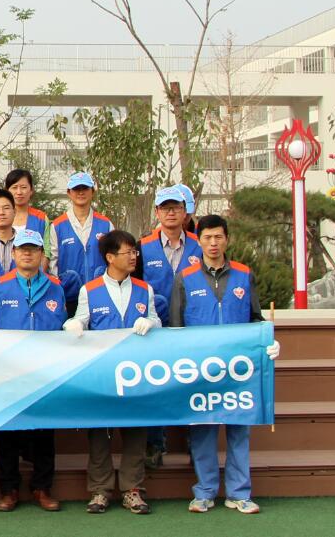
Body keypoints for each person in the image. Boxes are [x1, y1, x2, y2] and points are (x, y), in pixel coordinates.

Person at [170, 214, 280, 515]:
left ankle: (239, 493)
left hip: (238, 371)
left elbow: (255, 319)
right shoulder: (185, 277)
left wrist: (268, 343)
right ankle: (204, 492)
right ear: (199, 241)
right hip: (199, 370)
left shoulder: (244, 274)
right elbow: (176, 328)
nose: (213, 243)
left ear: (227, 239)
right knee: (202, 431)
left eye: (218, 237)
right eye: (207, 237)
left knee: (239, 430)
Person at [63, 229, 159, 515]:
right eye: (127, 252)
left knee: (136, 431)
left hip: (136, 372)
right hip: (102, 373)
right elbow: (81, 319)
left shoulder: (144, 289)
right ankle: (100, 490)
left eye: (134, 252)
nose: (133, 257)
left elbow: (155, 319)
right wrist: (73, 324)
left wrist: (151, 322)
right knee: (99, 432)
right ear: (109, 257)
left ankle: (132, 489)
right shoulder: (89, 290)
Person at [0, 229, 65, 513]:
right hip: (8, 373)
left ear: (42, 254)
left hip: (44, 372)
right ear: (14, 253)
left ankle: (42, 487)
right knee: (8, 433)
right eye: (22, 249)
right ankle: (8, 490)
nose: (27, 253)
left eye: (33, 249)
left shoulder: (56, 288)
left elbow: (62, 327)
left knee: (44, 432)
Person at [139, 186, 203, 468]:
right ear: (157, 212)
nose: (171, 212)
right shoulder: (143, 247)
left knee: (193, 383)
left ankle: (195, 442)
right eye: (165, 207)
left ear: (185, 211)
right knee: (155, 386)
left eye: (176, 207)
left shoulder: (201, 245)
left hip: (192, 327)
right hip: (155, 329)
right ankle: (155, 443)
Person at [48, 172, 113, 314]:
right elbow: (52, 263)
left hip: (101, 295)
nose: (81, 192)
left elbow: (114, 260)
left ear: (92, 191)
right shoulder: (57, 226)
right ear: (69, 193)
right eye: (76, 189)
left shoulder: (105, 224)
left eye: (85, 188)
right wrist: (59, 293)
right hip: (69, 297)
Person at [5, 168, 50, 239]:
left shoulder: (41, 218)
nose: (19, 192)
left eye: (23, 187)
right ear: (7, 191)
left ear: (31, 190)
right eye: (14, 187)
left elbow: (47, 245)